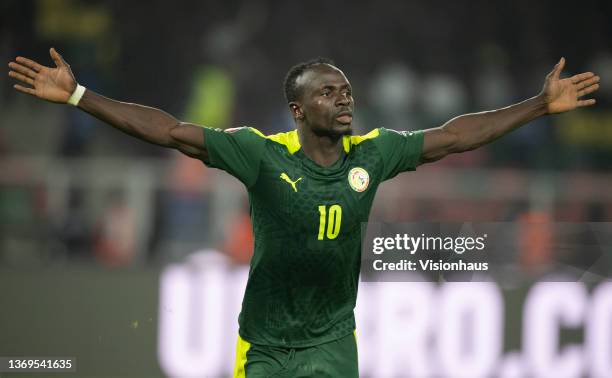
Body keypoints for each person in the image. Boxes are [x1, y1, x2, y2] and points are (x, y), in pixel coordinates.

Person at [8, 48, 600, 377]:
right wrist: (80, 96)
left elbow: (457, 136)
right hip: (263, 347)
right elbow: (169, 132)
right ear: (297, 108)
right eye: (327, 92)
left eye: (346, 90)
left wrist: (539, 108)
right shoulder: (260, 154)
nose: (343, 99)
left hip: (331, 344)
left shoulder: (375, 153)